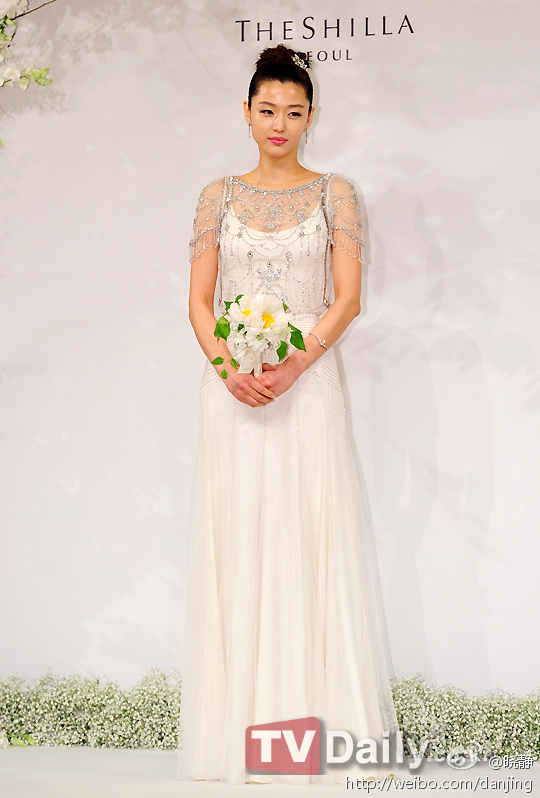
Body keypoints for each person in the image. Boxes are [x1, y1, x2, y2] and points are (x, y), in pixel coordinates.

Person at [177, 43, 403, 785]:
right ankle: (240, 736)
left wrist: (297, 363)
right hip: (234, 390)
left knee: (310, 533)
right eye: (267, 109)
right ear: (245, 113)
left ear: (312, 117)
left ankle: (313, 737)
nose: (280, 123)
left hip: (307, 386)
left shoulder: (337, 194)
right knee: (240, 533)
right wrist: (229, 371)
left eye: (294, 111)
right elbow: (198, 302)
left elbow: (348, 299)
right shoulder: (217, 197)